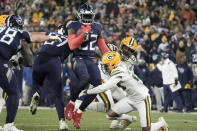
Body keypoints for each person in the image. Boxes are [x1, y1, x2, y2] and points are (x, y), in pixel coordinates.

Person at [0, 14, 61, 131]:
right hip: (2, 63)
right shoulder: (20, 33)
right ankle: (9, 125)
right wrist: (51, 37)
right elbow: (35, 37)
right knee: (13, 93)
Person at [82, 51, 169, 131]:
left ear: (113, 64)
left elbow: (104, 87)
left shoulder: (119, 73)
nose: (104, 67)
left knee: (147, 130)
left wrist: (88, 91)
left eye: (106, 65)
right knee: (110, 115)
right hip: (131, 98)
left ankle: (161, 123)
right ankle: (128, 119)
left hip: (142, 99)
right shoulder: (120, 67)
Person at [64, 3, 109, 129]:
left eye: (89, 16)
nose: (88, 18)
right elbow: (72, 45)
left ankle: (79, 112)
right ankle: (71, 103)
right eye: (85, 16)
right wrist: (83, 35)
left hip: (90, 59)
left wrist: (111, 58)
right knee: (85, 79)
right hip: (77, 58)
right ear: (79, 15)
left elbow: (103, 47)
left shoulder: (97, 27)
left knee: (98, 86)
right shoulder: (73, 25)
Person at [29, 24, 73, 130]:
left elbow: (36, 37)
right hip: (54, 61)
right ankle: (62, 122)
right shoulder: (69, 40)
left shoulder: (49, 34)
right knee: (58, 94)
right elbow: (63, 57)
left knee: (37, 83)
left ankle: (35, 94)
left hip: (39, 58)